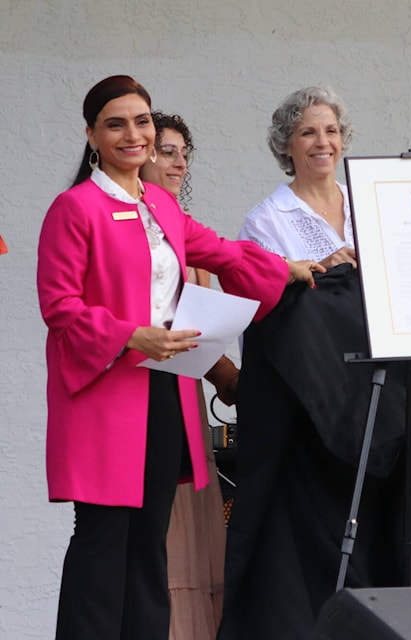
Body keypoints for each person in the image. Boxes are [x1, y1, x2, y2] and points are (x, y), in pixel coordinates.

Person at [37, 75, 322, 640]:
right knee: (102, 545)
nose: (132, 134)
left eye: (141, 121)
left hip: (163, 393)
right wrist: (130, 336)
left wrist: (285, 268)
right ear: (92, 134)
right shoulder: (75, 209)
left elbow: (216, 248)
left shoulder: (159, 204)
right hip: (103, 396)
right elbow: (59, 308)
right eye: (115, 123)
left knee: (149, 549)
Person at [139, 110, 239, 640]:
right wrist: (228, 374)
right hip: (148, 399)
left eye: (182, 152)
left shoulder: (183, 230)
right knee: (166, 539)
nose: (176, 161)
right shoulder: (140, 231)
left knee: (198, 537)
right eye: (165, 150)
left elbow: (204, 325)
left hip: (188, 399)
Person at [238, 85, 357, 269]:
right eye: (308, 133)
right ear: (286, 145)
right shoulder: (264, 222)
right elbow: (259, 293)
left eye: (331, 131)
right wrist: (321, 272)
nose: (323, 143)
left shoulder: (367, 202)